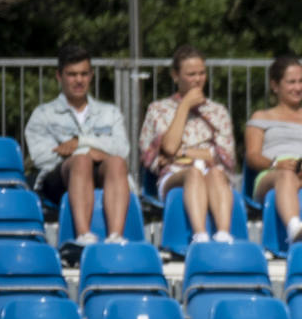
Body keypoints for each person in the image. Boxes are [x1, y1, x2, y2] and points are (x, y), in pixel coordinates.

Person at [23, 44, 133, 254]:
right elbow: (42, 157)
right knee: (81, 161)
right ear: (59, 76)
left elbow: (121, 149)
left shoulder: (110, 112)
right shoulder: (43, 114)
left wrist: (80, 142)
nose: (79, 80)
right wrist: (87, 154)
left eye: (84, 74)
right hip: (57, 181)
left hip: (103, 174)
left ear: (91, 75)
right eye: (72, 74)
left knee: (117, 162)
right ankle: (84, 236)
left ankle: (116, 236)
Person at [139, 45, 237, 245]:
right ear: (176, 76)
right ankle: (200, 235)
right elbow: (167, 149)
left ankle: (223, 234)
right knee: (193, 173)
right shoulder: (158, 109)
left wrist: (185, 151)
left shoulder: (217, 111)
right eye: (191, 74)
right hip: (174, 175)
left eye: (201, 73)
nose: (198, 79)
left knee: (217, 173)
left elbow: (224, 156)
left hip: (212, 173)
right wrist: (184, 106)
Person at [245, 55, 302, 243]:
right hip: (272, 170)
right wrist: (278, 164)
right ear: (275, 85)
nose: (298, 87)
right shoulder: (261, 116)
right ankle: (294, 227)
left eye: (301, 81)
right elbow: (252, 156)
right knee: (286, 176)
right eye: (291, 82)